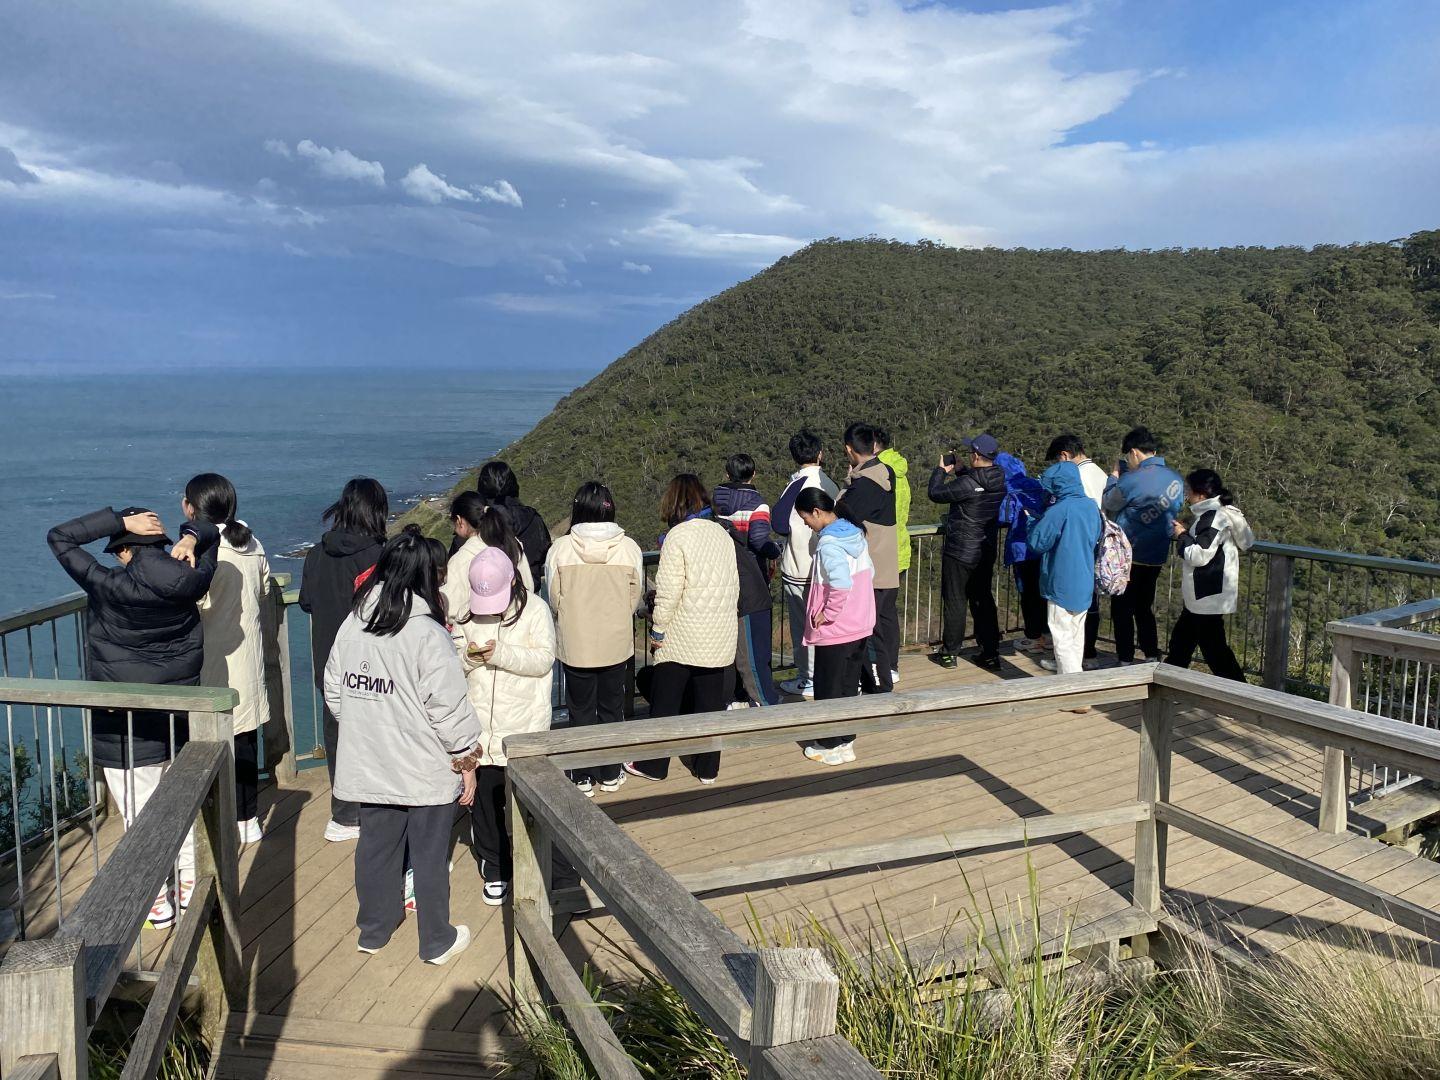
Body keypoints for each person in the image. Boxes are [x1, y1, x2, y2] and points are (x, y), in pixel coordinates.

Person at [48, 505, 220, 929]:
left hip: (122, 722)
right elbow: (211, 531)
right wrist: (190, 537)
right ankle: (189, 885)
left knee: (138, 813)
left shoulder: (107, 585)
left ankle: (157, 901)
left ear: (125, 550)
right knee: (179, 804)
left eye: (117, 550)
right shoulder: (193, 576)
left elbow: (60, 537)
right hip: (176, 714)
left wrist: (119, 523)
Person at [325, 526, 479, 966]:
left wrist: (367, 725)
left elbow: (334, 689)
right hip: (423, 765)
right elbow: (448, 709)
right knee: (429, 854)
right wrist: (466, 759)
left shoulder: (354, 624)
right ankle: (436, 940)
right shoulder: (427, 634)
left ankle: (374, 930)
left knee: (375, 847)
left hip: (370, 761)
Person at [452, 547, 556, 905]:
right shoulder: (466, 614)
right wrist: (468, 658)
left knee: (528, 804)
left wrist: (500, 654)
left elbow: (544, 659)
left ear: (513, 581)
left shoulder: (536, 610)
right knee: (483, 804)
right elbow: (452, 663)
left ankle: (539, 864)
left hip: (522, 725)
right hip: (480, 728)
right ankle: (495, 867)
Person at [626, 475, 739, 784]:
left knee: (665, 701)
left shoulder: (677, 537)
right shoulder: (722, 533)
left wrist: (658, 630)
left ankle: (654, 765)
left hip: (683, 633)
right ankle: (707, 768)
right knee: (709, 705)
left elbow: (669, 591)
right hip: (718, 631)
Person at [299, 478, 388, 843]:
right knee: (379, 739)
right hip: (373, 664)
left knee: (337, 736)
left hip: (328, 661)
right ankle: (380, 813)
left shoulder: (315, 554)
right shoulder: (379, 555)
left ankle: (345, 815)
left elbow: (306, 602)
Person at [183, 473, 270, 844]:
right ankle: (248, 819)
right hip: (248, 656)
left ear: (191, 508)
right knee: (246, 737)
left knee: (209, 741)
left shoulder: (201, 550)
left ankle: (215, 820)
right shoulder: (252, 543)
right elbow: (264, 590)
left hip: (209, 657)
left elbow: (190, 597)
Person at [544, 482, 644, 796]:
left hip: (577, 644)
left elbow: (554, 597)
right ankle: (610, 773)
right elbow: (634, 596)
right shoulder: (628, 547)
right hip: (615, 643)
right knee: (612, 709)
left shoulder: (560, 549)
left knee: (580, 711)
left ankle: (582, 775)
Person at [796, 489, 875, 766]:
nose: (807, 524)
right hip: (860, 623)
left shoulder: (829, 544)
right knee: (848, 685)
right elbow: (870, 572)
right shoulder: (855, 533)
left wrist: (827, 614)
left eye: (806, 519)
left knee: (828, 687)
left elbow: (841, 584)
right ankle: (846, 740)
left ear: (816, 512)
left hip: (837, 628)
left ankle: (829, 744)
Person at [1103, 428, 1184, 665]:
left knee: (1122, 608)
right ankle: (1150, 655)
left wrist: (1114, 476)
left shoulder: (1131, 479)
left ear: (1134, 452)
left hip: (1129, 554)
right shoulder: (1176, 479)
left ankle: (1125, 659)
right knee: (1144, 607)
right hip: (1156, 554)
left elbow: (1109, 501)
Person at [927, 433, 1007, 670]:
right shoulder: (999, 479)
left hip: (960, 551)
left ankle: (949, 653)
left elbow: (936, 493)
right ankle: (990, 653)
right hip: (984, 549)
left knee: (955, 600)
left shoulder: (968, 484)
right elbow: (976, 488)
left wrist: (941, 471)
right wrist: (962, 471)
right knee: (983, 599)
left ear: (976, 455)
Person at [1166, 470, 1255, 681]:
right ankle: (1168, 680)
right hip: (1211, 592)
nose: (1187, 495)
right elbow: (1247, 541)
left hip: (1206, 593)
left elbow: (1198, 555)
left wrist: (1182, 535)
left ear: (1201, 494)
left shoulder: (1213, 518)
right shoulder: (1222, 513)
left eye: (1189, 490)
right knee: (1184, 642)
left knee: (1214, 651)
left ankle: (1239, 692)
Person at [772, 431, 838, 700]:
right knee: (826, 625)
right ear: (820, 453)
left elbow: (778, 523)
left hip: (799, 569)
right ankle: (827, 674)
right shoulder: (830, 484)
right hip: (826, 569)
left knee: (803, 627)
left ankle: (807, 678)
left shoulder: (795, 485)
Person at [837, 423, 899, 693]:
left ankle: (879, 689)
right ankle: (878, 683)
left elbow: (838, 514)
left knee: (869, 633)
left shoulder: (862, 487)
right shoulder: (886, 472)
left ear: (849, 449)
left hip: (871, 571)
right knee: (877, 630)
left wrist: (847, 483)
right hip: (886, 566)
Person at [1027, 462, 1103, 675]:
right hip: (1085, 578)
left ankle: (1072, 687)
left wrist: (1031, 521)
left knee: (1061, 638)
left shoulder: (1059, 510)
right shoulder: (1091, 506)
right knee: (1076, 636)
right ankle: (1075, 679)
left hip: (1061, 580)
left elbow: (1037, 543)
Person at [1048, 434, 1109, 665]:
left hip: (1076, 548)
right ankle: (1086, 655)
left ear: (1064, 456)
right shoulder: (1099, 473)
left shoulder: (1078, 477)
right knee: (1086, 607)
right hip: (1095, 545)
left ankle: (1070, 663)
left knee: (1067, 615)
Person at [443, 491, 534, 625]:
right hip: (519, 623)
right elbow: (528, 586)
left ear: (459, 520)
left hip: (479, 631)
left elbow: (453, 612)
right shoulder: (512, 544)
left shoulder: (461, 559)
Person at [995, 452, 1049, 654]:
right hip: (1042, 545)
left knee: (1028, 593)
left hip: (1022, 548)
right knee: (1042, 592)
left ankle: (1033, 637)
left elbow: (1004, 517)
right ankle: (1047, 636)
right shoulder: (1038, 485)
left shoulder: (1010, 489)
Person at [475, 461, 551, 589]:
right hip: (530, 590)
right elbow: (545, 553)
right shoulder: (533, 518)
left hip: (490, 593)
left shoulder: (479, 522)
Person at [874, 428, 911, 685]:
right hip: (899, 548)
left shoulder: (878, 473)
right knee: (887, 612)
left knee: (876, 614)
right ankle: (891, 665)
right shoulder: (899, 470)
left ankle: (883, 666)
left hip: (881, 552)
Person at [712, 453, 781, 565]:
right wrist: (776, 551)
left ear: (728, 475)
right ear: (753, 474)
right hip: (749, 565)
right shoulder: (758, 505)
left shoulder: (714, 500)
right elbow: (758, 539)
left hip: (721, 562)